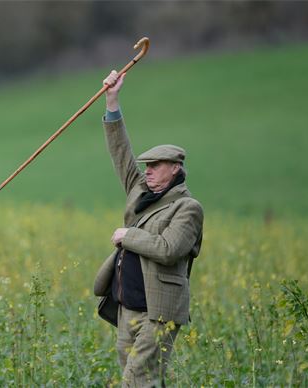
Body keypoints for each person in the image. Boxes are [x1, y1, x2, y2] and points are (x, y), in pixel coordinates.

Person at [93, 70, 204, 387]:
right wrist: (112, 101)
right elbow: (121, 154)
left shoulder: (188, 208)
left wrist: (128, 236)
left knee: (136, 381)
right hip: (128, 308)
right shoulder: (141, 192)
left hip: (158, 313)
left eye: (156, 166)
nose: (149, 171)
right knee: (144, 381)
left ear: (175, 169)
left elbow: (169, 250)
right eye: (147, 166)